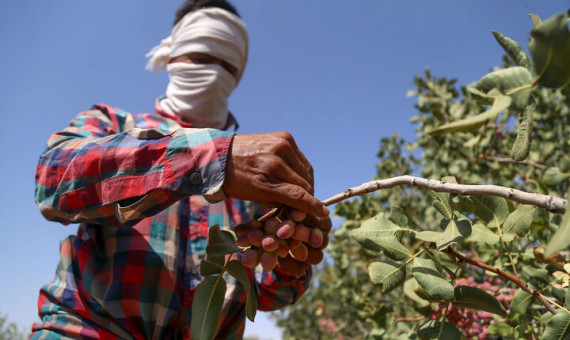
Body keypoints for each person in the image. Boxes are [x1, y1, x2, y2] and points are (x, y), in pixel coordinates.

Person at [31, 0, 331, 339]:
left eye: (227, 64)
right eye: (202, 58)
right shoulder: (114, 124)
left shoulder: (258, 179)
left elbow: (266, 295)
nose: (214, 71)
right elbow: (51, 178)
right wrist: (210, 159)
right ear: (172, 56)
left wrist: (291, 260)